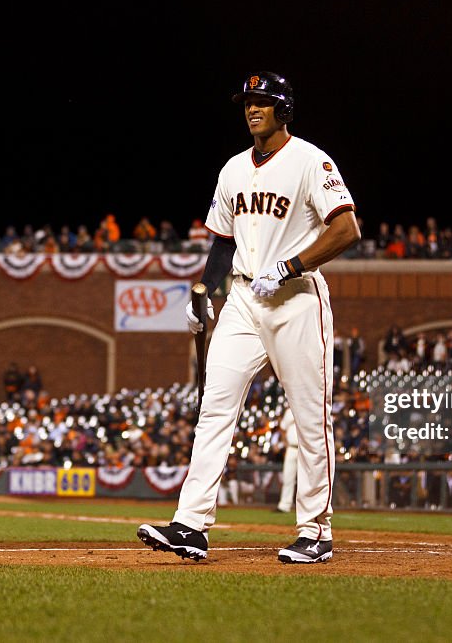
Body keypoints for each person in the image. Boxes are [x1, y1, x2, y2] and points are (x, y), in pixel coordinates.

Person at [137, 71, 360, 564]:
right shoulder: (233, 168)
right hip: (242, 297)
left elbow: (346, 229)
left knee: (310, 417)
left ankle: (316, 531)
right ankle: (190, 526)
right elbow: (223, 241)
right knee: (214, 408)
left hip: (297, 297)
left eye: (262, 101)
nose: (252, 109)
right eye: (247, 102)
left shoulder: (309, 160)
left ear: (284, 108)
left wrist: (291, 265)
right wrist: (202, 290)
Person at [275, 408, 299, 513]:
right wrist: (285, 442)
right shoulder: (289, 411)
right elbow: (282, 428)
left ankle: (308, 508)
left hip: (305, 449)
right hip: (291, 448)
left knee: (307, 479)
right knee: (288, 478)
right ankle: (284, 505)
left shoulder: (307, 406)